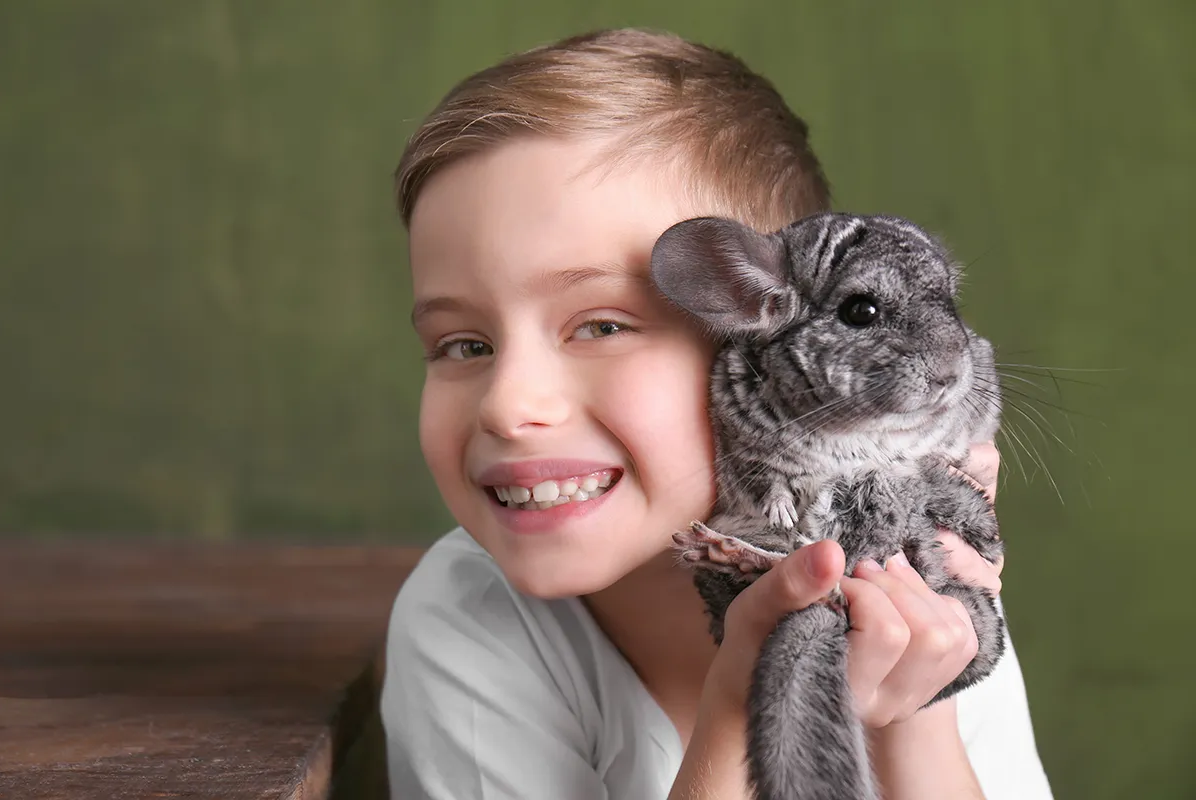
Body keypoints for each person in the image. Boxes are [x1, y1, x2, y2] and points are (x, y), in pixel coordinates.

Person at [380, 27, 1052, 799]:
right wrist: (748, 697)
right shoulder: (471, 625)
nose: (509, 405)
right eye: (463, 345)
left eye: (601, 326)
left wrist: (915, 700)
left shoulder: (934, 595)